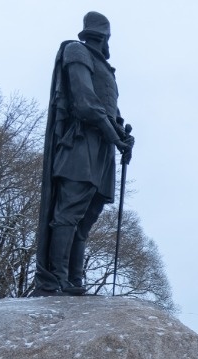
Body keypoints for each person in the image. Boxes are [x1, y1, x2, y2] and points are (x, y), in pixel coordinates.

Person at [33, 12, 134, 296]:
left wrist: (123, 136)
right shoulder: (76, 51)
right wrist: (115, 136)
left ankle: (75, 280)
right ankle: (55, 280)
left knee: (87, 216)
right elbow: (85, 103)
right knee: (69, 212)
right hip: (80, 142)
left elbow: (110, 111)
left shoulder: (107, 70)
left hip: (102, 147)